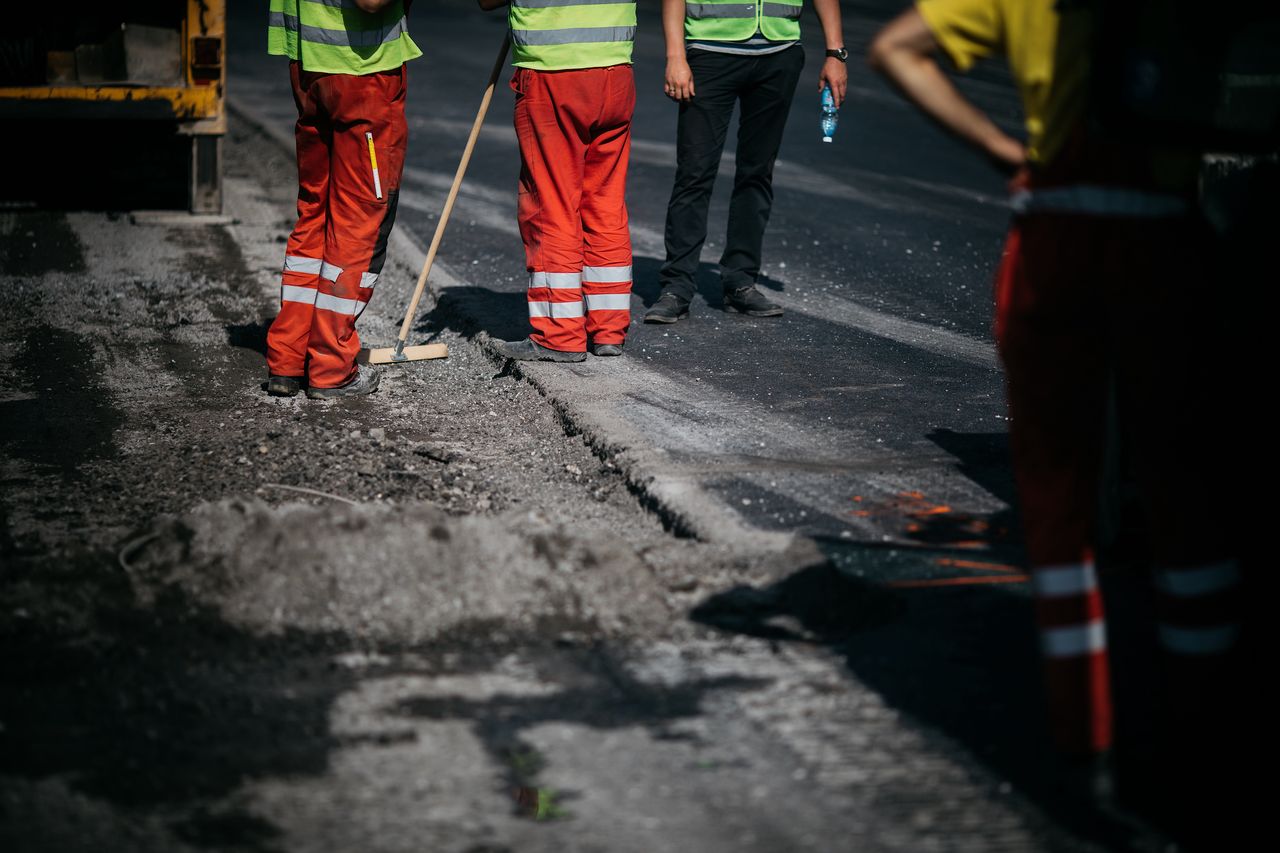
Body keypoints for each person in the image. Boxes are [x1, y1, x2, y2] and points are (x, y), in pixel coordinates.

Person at [869, 0, 1245, 840]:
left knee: (1057, 501)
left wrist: (1004, 149)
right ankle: (1206, 742)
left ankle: (1086, 747)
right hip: (1164, 241)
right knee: (1192, 506)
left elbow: (896, 49)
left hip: (1056, 242)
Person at [643, 0, 848, 323]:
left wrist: (835, 53)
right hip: (710, 51)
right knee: (695, 172)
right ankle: (676, 287)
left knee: (758, 173)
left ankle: (740, 281)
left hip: (779, 53)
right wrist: (676, 56)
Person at [264, 0, 421, 399]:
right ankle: (332, 367)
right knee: (360, 223)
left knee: (315, 215)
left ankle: (289, 357)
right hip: (361, 73)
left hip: (309, 67)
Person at [482, 0, 638, 363]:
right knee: (604, 202)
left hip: (554, 74)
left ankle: (560, 334)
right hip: (615, 71)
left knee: (551, 206)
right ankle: (608, 330)